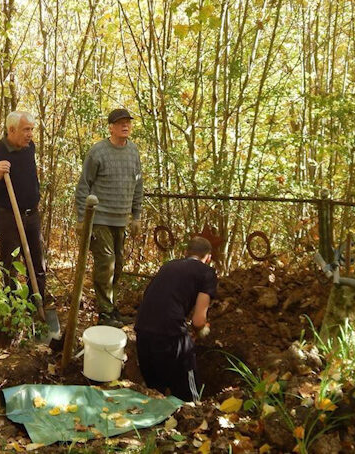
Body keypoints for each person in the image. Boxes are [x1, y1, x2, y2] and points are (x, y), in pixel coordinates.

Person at [75, 108, 143, 327]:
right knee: (106, 264)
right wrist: (81, 218)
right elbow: (84, 185)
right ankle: (105, 312)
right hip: (100, 218)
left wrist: (136, 216)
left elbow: (138, 185)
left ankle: (111, 308)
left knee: (119, 265)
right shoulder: (98, 152)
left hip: (121, 218)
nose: (125, 126)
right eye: (120, 123)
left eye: (128, 123)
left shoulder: (133, 151)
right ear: (111, 127)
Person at [0, 111, 46, 300]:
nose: (30, 134)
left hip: (32, 215)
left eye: (32, 129)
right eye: (26, 130)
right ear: (11, 130)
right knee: (10, 266)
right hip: (8, 217)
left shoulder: (30, 148)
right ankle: (13, 310)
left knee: (38, 264)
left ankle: (37, 304)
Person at [134, 237, 217, 402]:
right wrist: (200, 331)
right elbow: (199, 321)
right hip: (170, 335)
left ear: (186, 253)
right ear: (208, 257)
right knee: (190, 399)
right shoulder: (207, 273)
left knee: (155, 393)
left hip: (142, 331)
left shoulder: (168, 266)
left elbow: (153, 297)